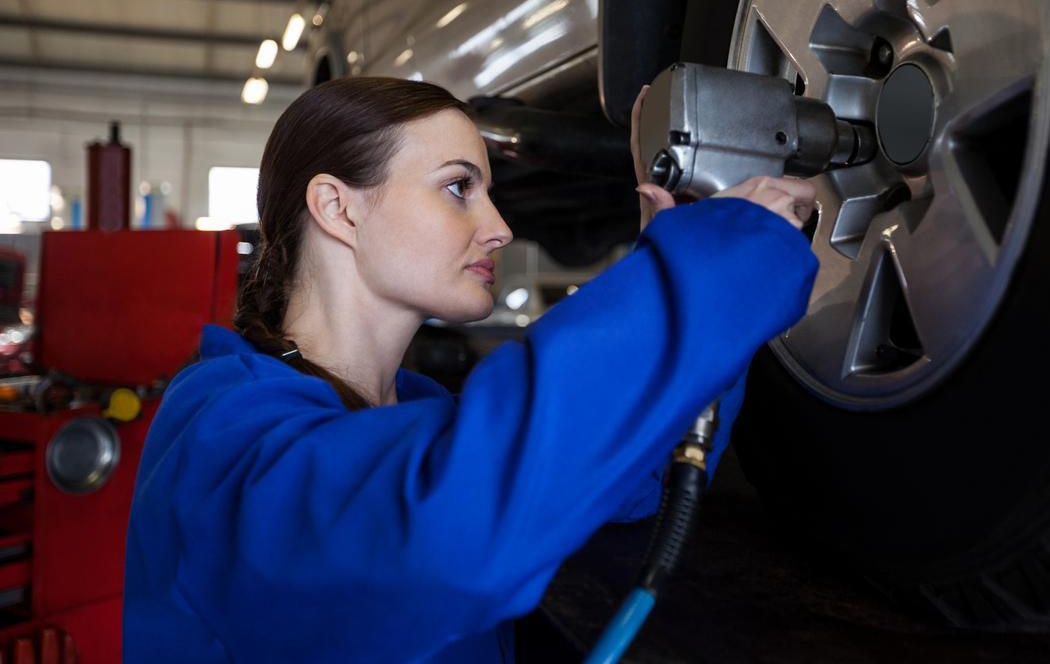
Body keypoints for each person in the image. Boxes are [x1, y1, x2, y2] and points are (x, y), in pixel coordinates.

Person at [123, 77, 819, 662]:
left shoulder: (420, 411)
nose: (500, 228)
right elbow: (441, 538)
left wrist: (679, 273)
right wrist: (705, 267)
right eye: (459, 187)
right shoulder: (219, 426)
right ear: (338, 208)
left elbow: (634, 488)